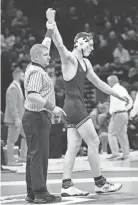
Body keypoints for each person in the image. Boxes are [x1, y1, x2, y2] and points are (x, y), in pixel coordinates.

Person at [46, 8, 129, 196]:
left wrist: (116, 94)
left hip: (72, 107)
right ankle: (100, 183)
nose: (92, 48)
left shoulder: (86, 63)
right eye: (90, 44)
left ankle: (66, 186)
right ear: (80, 44)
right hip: (75, 107)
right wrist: (53, 25)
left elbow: (99, 83)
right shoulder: (71, 61)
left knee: (74, 146)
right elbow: (59, 45)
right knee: (94, 141)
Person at [22, 11, 65, 204]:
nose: (50, 57)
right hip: (38, 116)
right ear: (38, 57)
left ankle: (32, 192)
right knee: (39, 155)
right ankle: (40, 193)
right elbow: (32, 94)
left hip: (32, 116)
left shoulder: (35, 65)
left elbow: (45, 43)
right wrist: (53, 107)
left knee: (34, 155)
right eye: (46, 55)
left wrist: (50, 23)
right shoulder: (38, 72)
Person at [4, 67, 27, 166]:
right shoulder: (13, 88)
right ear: (17, 76)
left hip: (20, 118)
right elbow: (12, 106)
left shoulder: (17, 86)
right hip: (16, 119)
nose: (24, 77)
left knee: (27, 136)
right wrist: (16, 119)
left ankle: (23, 157)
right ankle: (11, 161)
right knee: (11, 140)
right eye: (22, 75)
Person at [107, 75, 133, 160]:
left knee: (111, 134)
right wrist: (125, 109)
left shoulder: (114, 89)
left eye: (108, 82)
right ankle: (126, 154)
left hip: (117, 114)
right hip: (124, 113)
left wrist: (120, 110)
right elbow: (130, 101)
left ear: (111, 81)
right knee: (122, 135)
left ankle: (116, 153)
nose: (108, 83)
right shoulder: (122, 89)